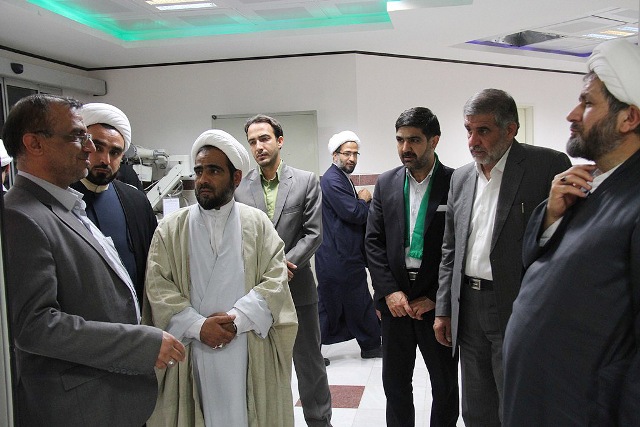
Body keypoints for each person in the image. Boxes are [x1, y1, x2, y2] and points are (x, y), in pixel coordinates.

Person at [1, 94, 185, 427]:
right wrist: (138, 343)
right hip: (79, 406)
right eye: (77, 136)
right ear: (34, 144)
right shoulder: (21, 216)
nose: (88, 149)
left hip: (109, 396)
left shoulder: (62, 205)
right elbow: (35, 326)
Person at [503, 39, 640, 426]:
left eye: (587, 103)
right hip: (542, 400)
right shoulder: (588, 183)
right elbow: (536, 262)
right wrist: (550, 215)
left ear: (629, 118)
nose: (572, 114)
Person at [434, 88, 571, 426]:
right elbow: (450, 249)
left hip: (516, 302)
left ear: (510, 129)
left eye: (483, 130)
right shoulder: (461, 178)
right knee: (476, 406)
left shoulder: (546, 167)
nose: (472, 141)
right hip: (468, 306)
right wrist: (444, 308)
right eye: (468, 130)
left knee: (517, 403)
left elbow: (562, 244)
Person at [142, 129, 298, 427]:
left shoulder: (257, 223)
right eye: (199, 171)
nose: (202, 179)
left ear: (236, 178)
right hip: (191, 347)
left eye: (213, 170)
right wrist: (199, 327)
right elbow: (158, 286)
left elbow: (276, 278)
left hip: (247, 344)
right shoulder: (171, 228)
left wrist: (236, 321)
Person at [235, 114, 332, 427]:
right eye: (252, 141)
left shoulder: (305, 180)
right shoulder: (240, 188)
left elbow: (313, 234)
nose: (258, 146)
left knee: (309, 363)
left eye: (264, 138)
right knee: (263, 365)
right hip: (257, 293)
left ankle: (319, 420)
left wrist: (281, 267)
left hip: (298, 288)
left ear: (279, 140)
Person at [366, 107, 459, 426]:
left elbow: (462, 246)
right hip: (396, 303)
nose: (405, 148)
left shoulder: (455, 182)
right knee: (395, 385)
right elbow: (373, 241)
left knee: (445, 386)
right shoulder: (386, 182)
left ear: (434, 140)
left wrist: (435, 297)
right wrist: (389, 292)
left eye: (414, 140)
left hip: (436, 304)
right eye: (400, 140)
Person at [70, 103, 157, 305]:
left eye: (115, 152)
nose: (105, 160)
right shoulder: (60, 199)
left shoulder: (136, 202)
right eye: (97, 148)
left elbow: (155, 265)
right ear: (82, 146)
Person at [315, 130, 382, 359]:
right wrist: (364, 199)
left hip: (342, 254)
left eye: (355, 154)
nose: (352, 158)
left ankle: (370, 345)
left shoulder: (340, 177)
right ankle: (369, 345)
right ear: (335, 155)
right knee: (335, 304)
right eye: (347, 153)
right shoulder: (332, 180)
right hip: (338, 256)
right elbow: (354, 213)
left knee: (350, 301)